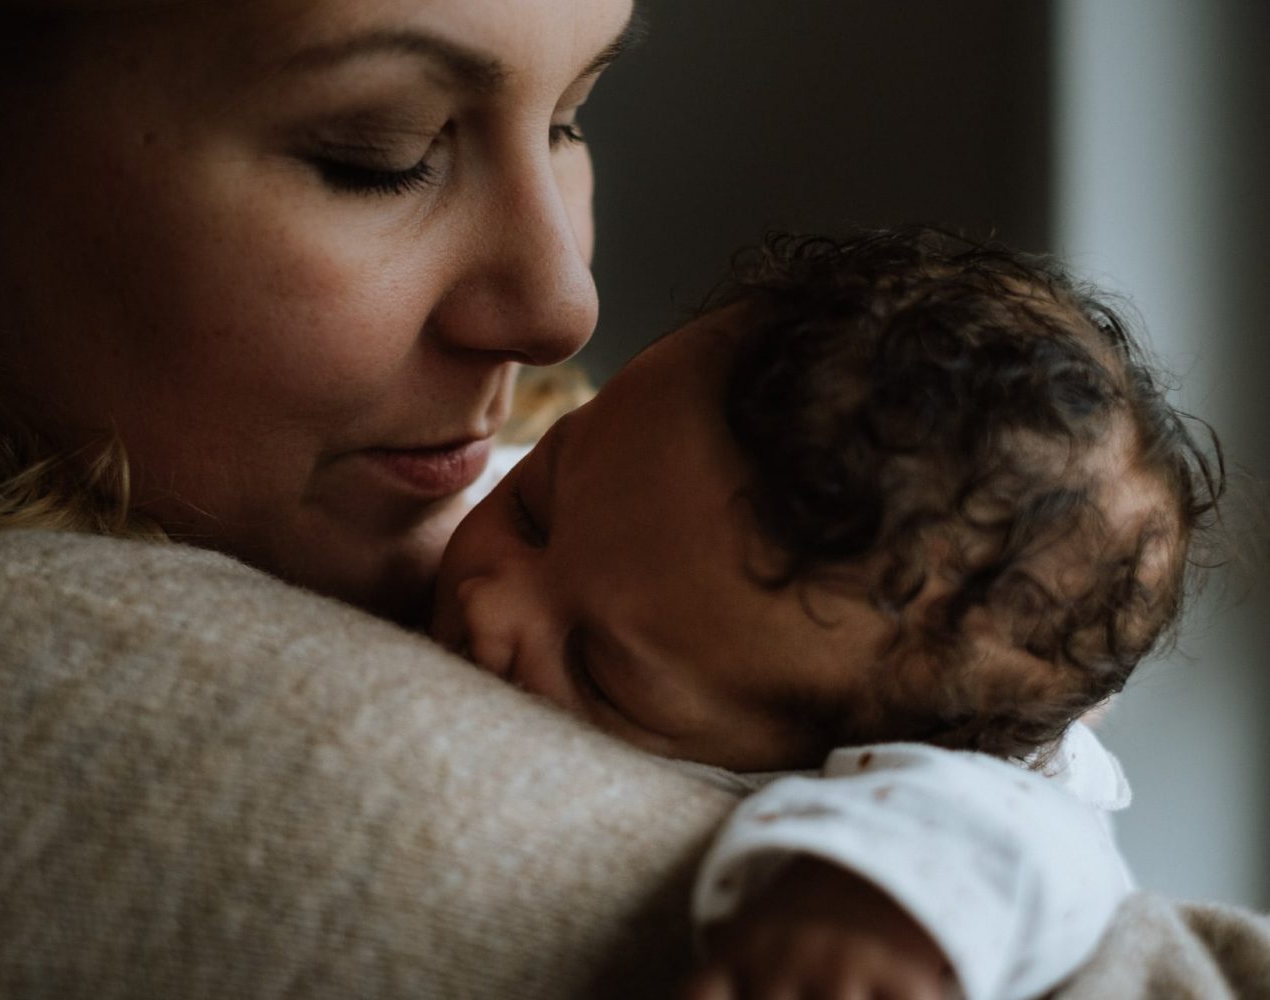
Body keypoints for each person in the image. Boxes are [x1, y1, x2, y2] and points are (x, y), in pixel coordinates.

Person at [0, 2, 1237, 998]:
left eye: (576, 115)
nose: (562, 303)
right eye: (380, 154)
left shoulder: (838, 645)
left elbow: (1004, 818)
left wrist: (876, 907)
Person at [432, 228, 1224, 997]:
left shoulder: (976, 793)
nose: (488, 599)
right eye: (532, 509)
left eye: (598, 671)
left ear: (873, 749)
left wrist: (863, 912)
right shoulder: (615, 502)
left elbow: (1029, 840)